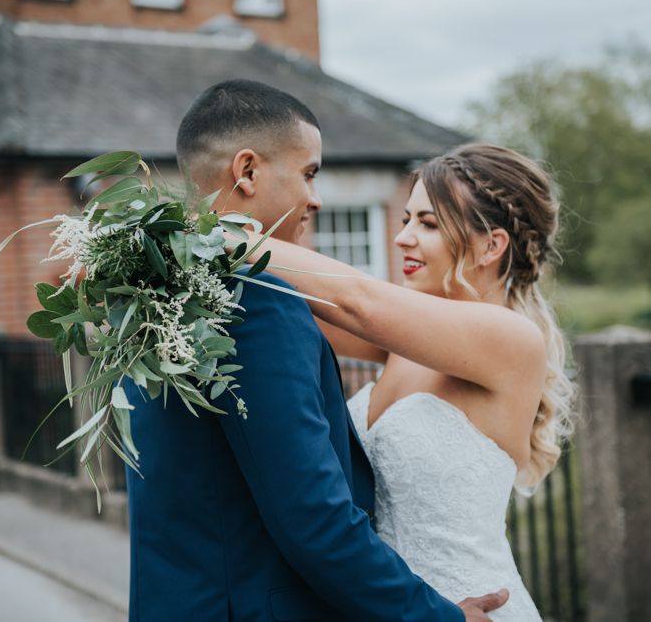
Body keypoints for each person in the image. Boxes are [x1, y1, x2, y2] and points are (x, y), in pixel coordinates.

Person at [123, 80, 508, 621]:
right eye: (309, 173)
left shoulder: (151, 287)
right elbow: (313, 518)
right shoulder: (255, 296)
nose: (316, 197)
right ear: (248, 171)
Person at [243, 143, 577, 620]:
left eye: (429, 224)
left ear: (492, 245)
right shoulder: (399, 345)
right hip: (398, 609)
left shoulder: (511, 340)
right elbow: (284, 299)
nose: (403, 238)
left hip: (472, 609)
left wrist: (207, 234)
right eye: (406, 219)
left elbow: (355, 298)